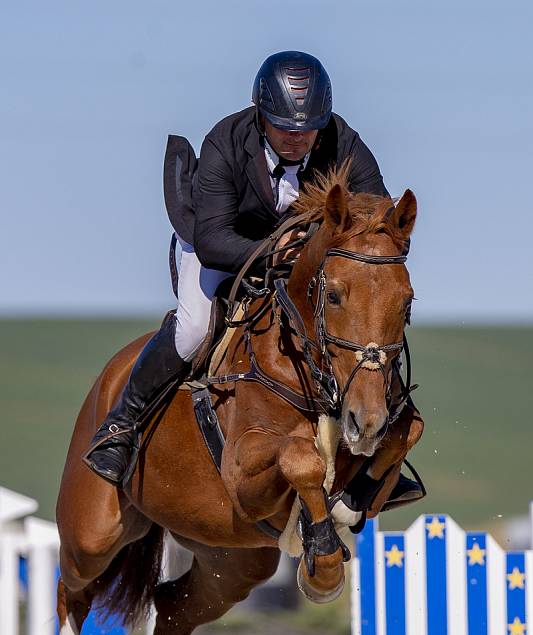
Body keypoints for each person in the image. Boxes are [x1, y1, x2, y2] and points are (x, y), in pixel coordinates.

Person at [84, 50, 424, 514]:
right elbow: (213, 238)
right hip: (222, 247)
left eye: (308, 128)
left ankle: (376, 455)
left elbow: (376, 218)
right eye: (285, 127)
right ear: (261, 115)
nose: (297, 138)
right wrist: (271, 253)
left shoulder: (343, 141)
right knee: (195, 328)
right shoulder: (226, 141)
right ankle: (122, 426)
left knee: (349, 325)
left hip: (304, 260)